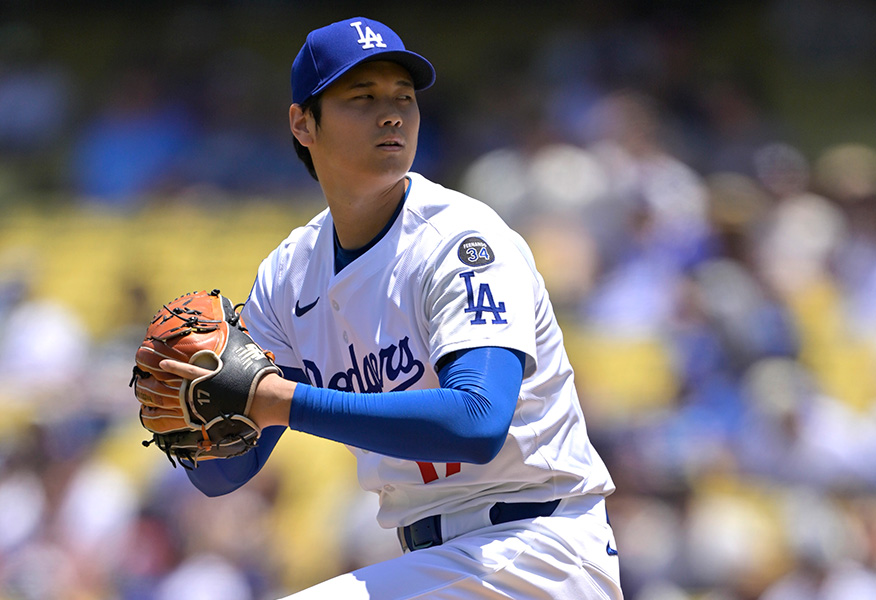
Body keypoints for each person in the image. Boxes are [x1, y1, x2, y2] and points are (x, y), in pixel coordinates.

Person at [152, 16, 623, 599]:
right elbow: (230, 474)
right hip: (440, 563)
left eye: (404, 96)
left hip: (534, 551)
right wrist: (197, 417)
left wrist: (283, 401)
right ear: (303, 123)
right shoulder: (288, 274)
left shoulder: (462, 240)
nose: (393, 113)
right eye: (363, 97)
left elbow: (477, 421)